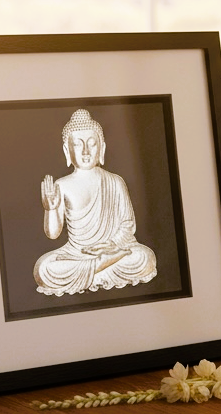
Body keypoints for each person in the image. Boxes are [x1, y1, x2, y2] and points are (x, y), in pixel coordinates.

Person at [34, 108, 157, 296]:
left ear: (102, 148)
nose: (85, 151)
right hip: (77, 253)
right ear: (67, 150)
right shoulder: (62, 185)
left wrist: (111, 245)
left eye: (91, 144)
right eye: (77, 144)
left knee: (145, 258)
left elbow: (128, 225)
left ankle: (95, 270)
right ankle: (102, 267)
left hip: (112, 248)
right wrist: (50, 209)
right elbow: (53, 234)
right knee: (44, 268)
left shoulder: (115, 182)